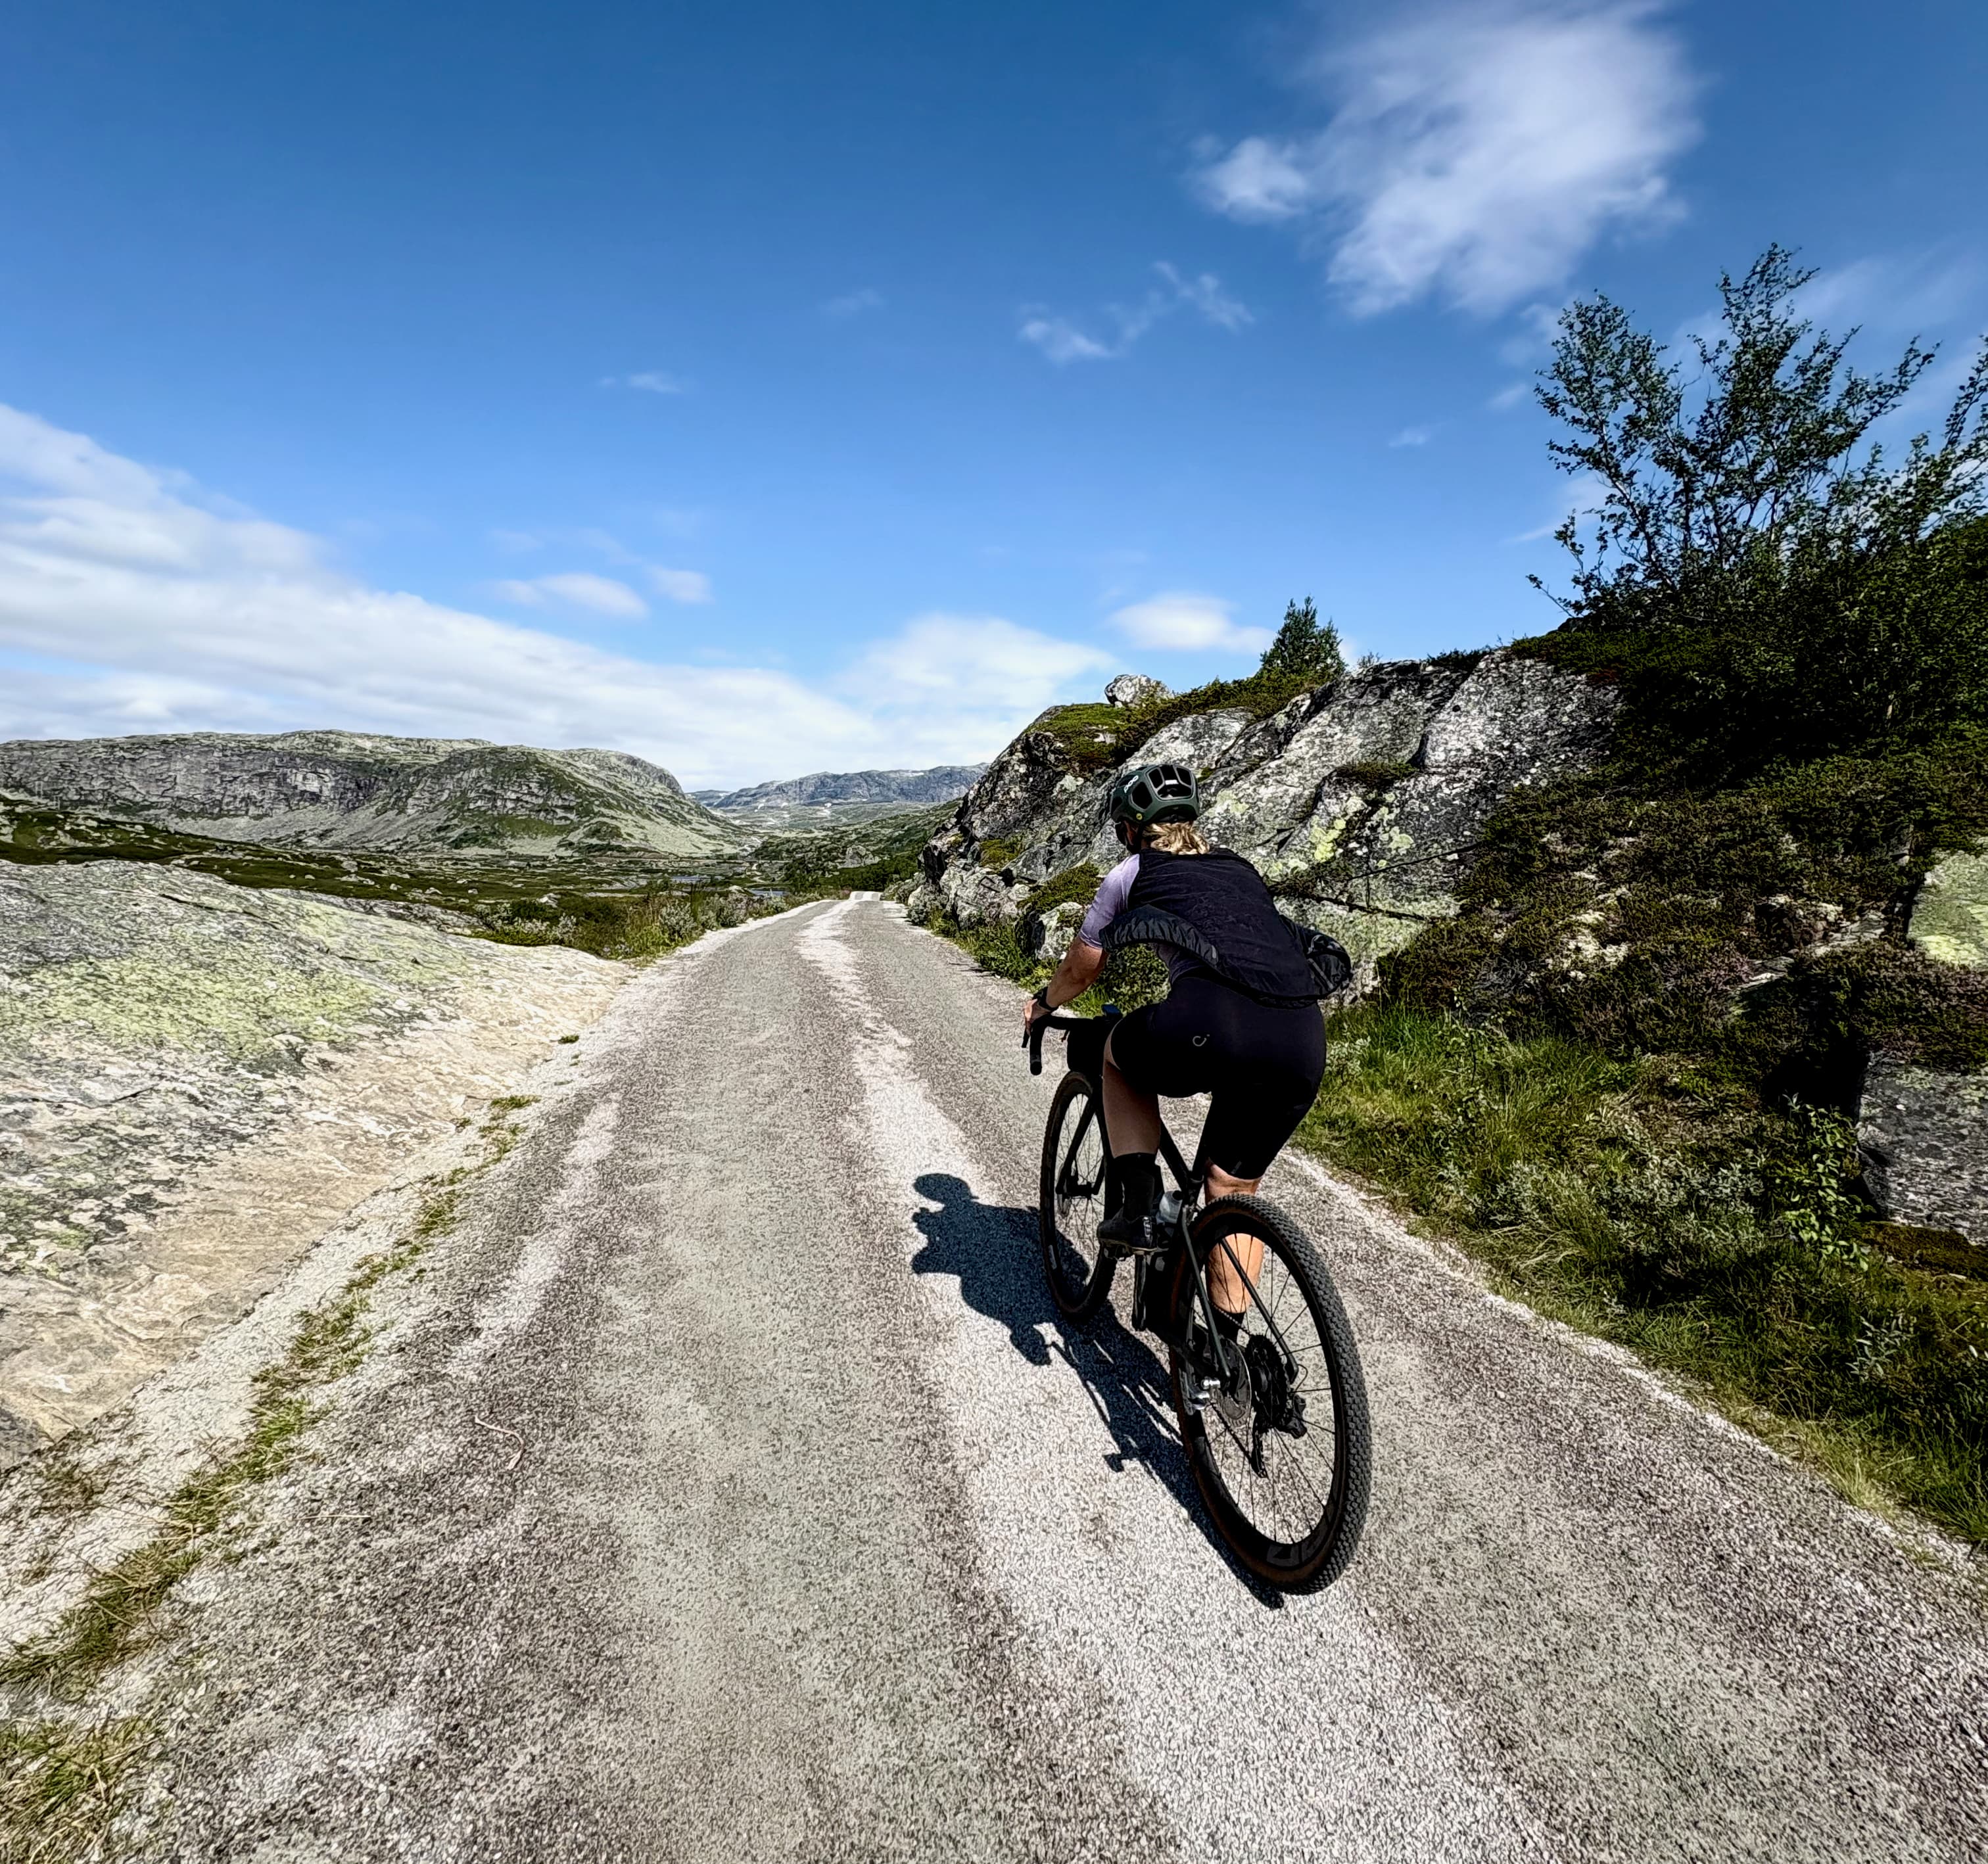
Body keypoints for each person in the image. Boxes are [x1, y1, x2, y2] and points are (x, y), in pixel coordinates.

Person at [1021, 760, 1331, 1318]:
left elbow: (1082, 969)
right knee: (1231, 1187)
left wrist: (1043, 1006)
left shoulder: (1131, 872)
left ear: (1131, 829)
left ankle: (1139, 1204)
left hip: (1210, 1023)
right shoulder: (1241, 868)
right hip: (1302, 1035)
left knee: (1116, 1056)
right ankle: (1228, 1362)